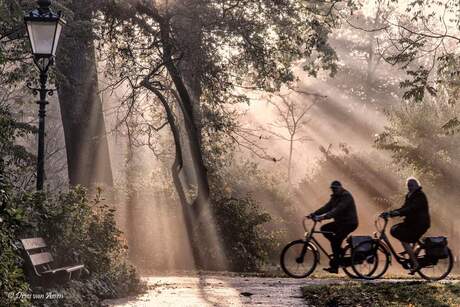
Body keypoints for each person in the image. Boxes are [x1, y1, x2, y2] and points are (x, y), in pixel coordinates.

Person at [308, 180, 358, 273]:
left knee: (335, 241)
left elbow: (337, 210)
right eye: (332, 189)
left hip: (349, 223)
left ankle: (335, 266)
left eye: (335, 189)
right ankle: (339, 251)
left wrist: (324, 217)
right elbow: (326, 207)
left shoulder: (346, 196)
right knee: (324, 229)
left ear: (340, 188)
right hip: (341, 223)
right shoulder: (334, 197)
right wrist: (313, 214)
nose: (334, 191)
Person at [383, 177, 430, 274]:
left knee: (404, 238)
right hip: (412, 223)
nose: (410, 187)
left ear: (417, 185)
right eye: (408, 185)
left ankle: (415, 263)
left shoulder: (420, 196)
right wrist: (392, 213)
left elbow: (411, 208)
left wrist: (397, 213)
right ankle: (411, 253)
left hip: (420, 224)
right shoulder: (409, 195)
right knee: (396, 230)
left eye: (412, 185)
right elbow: (404, 208)